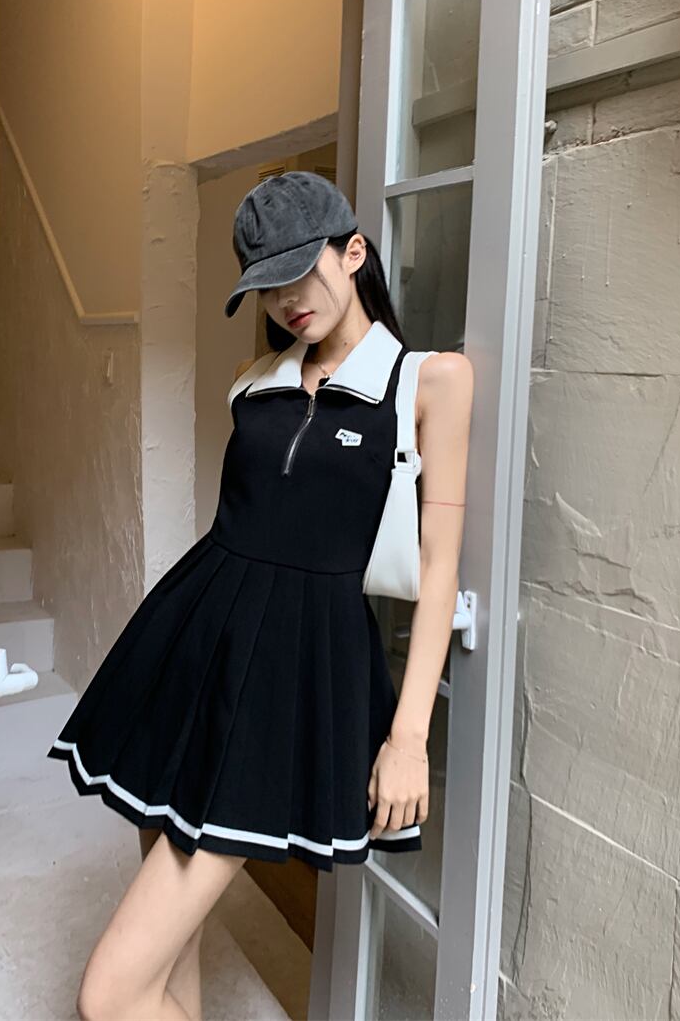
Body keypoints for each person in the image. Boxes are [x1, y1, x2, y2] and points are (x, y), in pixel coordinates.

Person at [48, 171, 474, 1021]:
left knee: (109, 994)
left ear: (353, 252)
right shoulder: (254, 379)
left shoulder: (430, 381)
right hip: (190, 647)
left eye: (299, 273)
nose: (285, 301)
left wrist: (408, 738)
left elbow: (438, 571)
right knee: (167, 961)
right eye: (266, 285)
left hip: (289, 676)